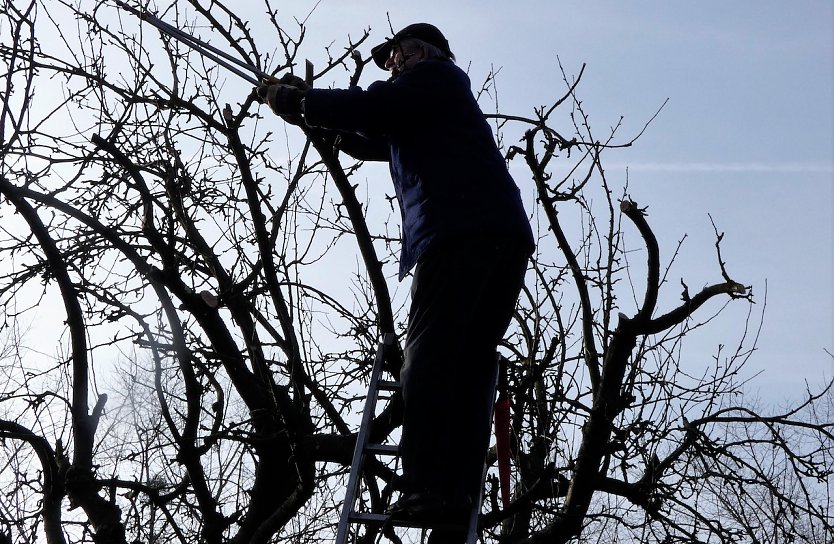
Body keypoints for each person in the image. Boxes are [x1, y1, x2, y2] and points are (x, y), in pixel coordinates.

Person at [257, 23, 534, 540]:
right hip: (499, 234)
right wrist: (303, 106)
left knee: (427, 359)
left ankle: (427, 484)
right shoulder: (433, 107)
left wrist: (299, 101)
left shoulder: (435, 77)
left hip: (458, 231)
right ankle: (454, 498)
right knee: (467, 367)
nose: (392, 66)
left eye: (395, 58)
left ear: (419, 51)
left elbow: (371, 109)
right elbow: (366, 137)